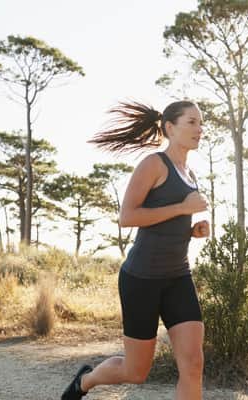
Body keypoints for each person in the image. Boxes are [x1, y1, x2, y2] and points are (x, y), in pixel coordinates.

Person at [61, 100, 210, 400]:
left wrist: (191, 230)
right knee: (136, 371)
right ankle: (85, 382)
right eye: (191, 122)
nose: (200, 129)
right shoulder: (154, 164)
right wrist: (182, 207)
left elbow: (166, 223)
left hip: (178, 277)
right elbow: (127, 217)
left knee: (193, 365)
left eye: (201, 123)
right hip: (141, 279)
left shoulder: (189, 173)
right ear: (170, 127)